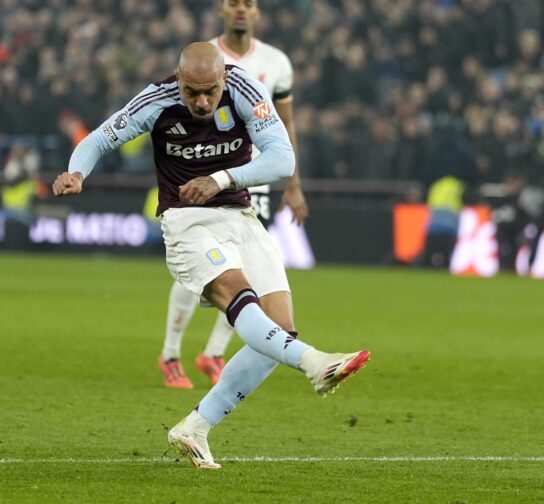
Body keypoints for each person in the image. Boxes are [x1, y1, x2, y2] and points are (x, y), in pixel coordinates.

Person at [52, 42, 370, 469]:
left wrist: (220, 178)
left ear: (224, 79)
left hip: (239, 215)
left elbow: (282, 159)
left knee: (280, 328)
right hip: (186, 222)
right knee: (238, 295)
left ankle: (196, 427)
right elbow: (100, 138)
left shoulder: (245, 90)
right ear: (179, 80)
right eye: (192, 92)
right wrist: (77, 171)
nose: (202, 102)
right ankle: (315, 363)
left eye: (210, 92)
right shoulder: (156, 99)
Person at [158, 0, 309, 389]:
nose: (241, 9)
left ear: (257, 12)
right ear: (221, 10)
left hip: (256, 173)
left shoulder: (278, 63)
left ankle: (212, 352)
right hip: (203, 168)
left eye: (248, 3)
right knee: (204, 263)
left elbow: (287, 124)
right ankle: (171, 353)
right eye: (233, 3)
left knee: (248, 266)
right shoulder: (204, 58)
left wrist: (292, 183)